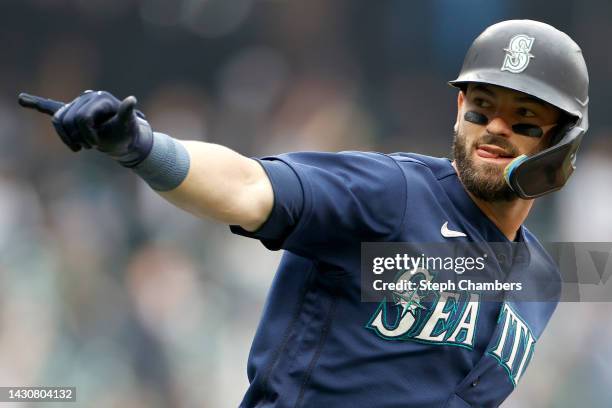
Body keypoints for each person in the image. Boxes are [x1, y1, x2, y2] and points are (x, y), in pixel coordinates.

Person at [19, 19, 588, 408]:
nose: (495, 128)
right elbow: (249, 187)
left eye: (524, 119)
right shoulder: (392, 194)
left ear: (561, 144)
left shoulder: (542, 277)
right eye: (482, 108)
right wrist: (140, 146)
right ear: (458, 107)